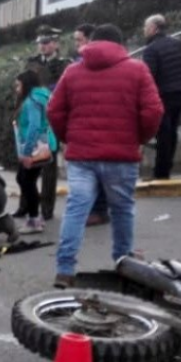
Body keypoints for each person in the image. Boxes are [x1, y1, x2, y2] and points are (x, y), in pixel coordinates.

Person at [48, 24, 164, 289]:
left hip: (81, 155)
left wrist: (69, 137)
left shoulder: (73, 71)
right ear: (120, 45)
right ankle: (124, 264)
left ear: (91, 44)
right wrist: (139, 138)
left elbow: (54, 110)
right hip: (121, 155)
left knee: (76, 208)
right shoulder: (137, 69)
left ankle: (64, 271)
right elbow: (153, 111)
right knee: (122, 210)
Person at [20, 25, 67, 221]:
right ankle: (25, 206)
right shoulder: (31, 63)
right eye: (40, 43)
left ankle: (47, 209)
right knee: (28, 162)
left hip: (51, 117)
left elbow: (64, 91)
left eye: (46, 43)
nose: (43, 46)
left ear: (55, 44)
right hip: (33, 116)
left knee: (48, 166)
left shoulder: (64, 64)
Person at [142, 14, 181, 180]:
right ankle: (166, 168)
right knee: (172, 132)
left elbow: (148, 77)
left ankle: (161, 173)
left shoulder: (151, 49)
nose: (144, 30)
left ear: (154, 28)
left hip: (162, 95)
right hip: (179, 92)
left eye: (146, 27)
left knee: (163, 133)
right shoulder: (179, 44)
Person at [72, 24, 109, 227]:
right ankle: (97, 209)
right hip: (90, 125)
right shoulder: (80, 63)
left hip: (95, 125)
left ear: (89, 40)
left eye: (79, 40)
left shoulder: (90, 64)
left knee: (97, 171)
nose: (76, 44)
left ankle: (99, 210)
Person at [13, 70, 57, 235]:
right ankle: (35, 217)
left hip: (36, 147)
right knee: (23, 179)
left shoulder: (32, 101)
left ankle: (34, 220)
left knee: (27, 181)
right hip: (44, 144)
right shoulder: (41, 96)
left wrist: (26, 153)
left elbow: (34, 127)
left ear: (26, 84)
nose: (17, 89)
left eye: (18, 85)